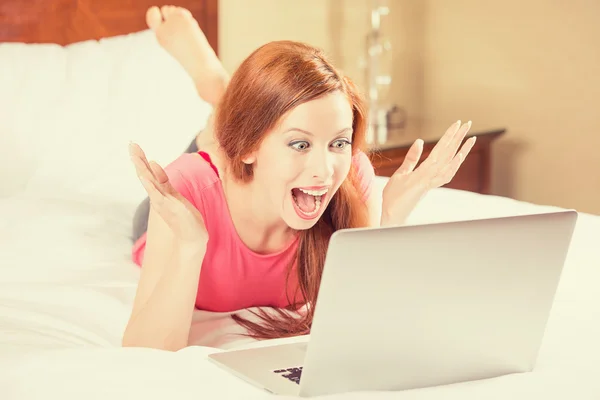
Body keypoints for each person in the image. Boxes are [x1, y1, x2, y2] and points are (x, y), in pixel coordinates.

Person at [123, 5, 476, 351]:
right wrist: (190, 246)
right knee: (222, 139)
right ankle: (217, 85)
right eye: (300, 143)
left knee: (267, 132)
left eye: (339, 141)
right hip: (213, 185)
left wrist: (391, 219)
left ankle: (238, 103)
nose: (324, 171)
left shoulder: (351, 177)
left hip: (253, 149)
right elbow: (145, 351)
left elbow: (362, 318)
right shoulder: (187, 189)